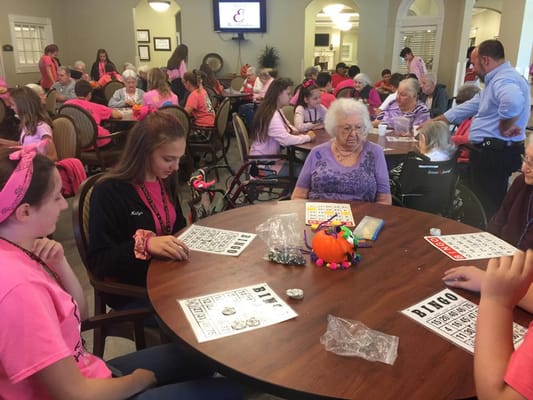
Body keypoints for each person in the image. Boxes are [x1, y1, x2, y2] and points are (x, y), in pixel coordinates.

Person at [0, 146, 243, 399]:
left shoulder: (23, 251)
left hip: (87, 371)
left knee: (201, 357)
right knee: (229, 389)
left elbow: (78, 317)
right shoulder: (18, 287)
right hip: (84, 389)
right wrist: (140, 380)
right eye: (56, 197)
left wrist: (60, 263)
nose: (63, 204)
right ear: (24, 212)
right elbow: (76, 394)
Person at [88, 111, 188, 307]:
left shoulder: (165, 180)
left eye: (179, 159)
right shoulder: (109, 191)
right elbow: (100, 263)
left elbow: (179, 228)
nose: (176, 167)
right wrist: (146, 245)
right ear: (144, 152)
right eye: (168, 159)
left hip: (170, 275)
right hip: (134, 288)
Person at [434, 39, 531, 219]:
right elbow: (473, 105)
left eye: (473, 63)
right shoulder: (495, 81)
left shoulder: (504, 79)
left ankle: (484, 240)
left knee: (486, 207)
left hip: (495, 153)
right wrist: (442, 119)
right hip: (490, 152)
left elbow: (513, 101)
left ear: (485, 60)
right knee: (478, 203)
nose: (472, 68)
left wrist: (505, 125)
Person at [291, 98, 391, 204]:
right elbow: (298, 196)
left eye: (358, 127)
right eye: (347, 128)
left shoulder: (375, 152)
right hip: (320, 216)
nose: (353, 134)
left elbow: (384, 200)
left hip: (361, 217)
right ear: (334, 128)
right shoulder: (317, 153)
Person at [249, 78, 315, 175]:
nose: (291, 97)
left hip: (267, 159)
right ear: (278, 95)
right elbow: (286, 140)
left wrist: (295, 130)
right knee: (306, 172)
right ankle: (292, 189)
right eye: (288, 94)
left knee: (305, 166)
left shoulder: (275, 110)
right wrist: (308, 137)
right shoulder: (272, 115)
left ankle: (291, 190)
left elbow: (288, 126)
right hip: (264, 166)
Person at [1, 87, 57, 161]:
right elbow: (22, 145)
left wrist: (30, 157)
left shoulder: (42, 127)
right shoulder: (28, 124)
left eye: (13, 104)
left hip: (39, 169)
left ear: (23, 106)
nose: (11, 107)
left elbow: (53, 157)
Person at [65, 80, 122, 149]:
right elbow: (118, 115)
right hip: (96, 142)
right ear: (89, 94)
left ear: (76, 92)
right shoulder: (95, 106)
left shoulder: (66, 105)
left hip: (75, 144)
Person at [450, 83, 481, 165]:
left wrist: (449, 139)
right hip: (458, 154)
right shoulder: (467, 118)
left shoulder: (477, 119)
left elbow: (469, 138)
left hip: (465, 159)